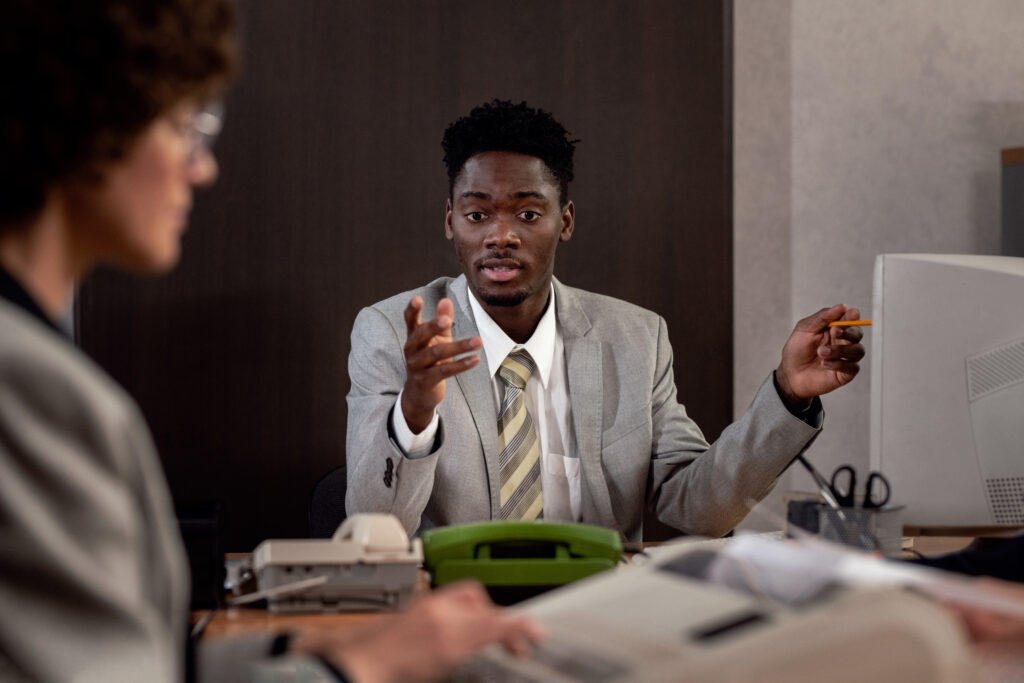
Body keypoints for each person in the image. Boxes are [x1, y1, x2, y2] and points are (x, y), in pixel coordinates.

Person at [0, 3, 538, 681]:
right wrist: (356, 669)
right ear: (89, 124)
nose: (203, 170)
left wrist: (305, 651)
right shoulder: (30, 390)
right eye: (185, 126)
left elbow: (135, 663)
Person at [346, 99, 865, 540]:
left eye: (527, 214)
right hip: (453, 616)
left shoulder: (636, 338)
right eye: (477, 214)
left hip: (592, 613)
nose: (500, 236)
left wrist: (789, 393)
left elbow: (699, 509)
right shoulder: (393, 332)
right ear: (450, 221)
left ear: (564, 221)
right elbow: (374, 527)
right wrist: (414, 412)